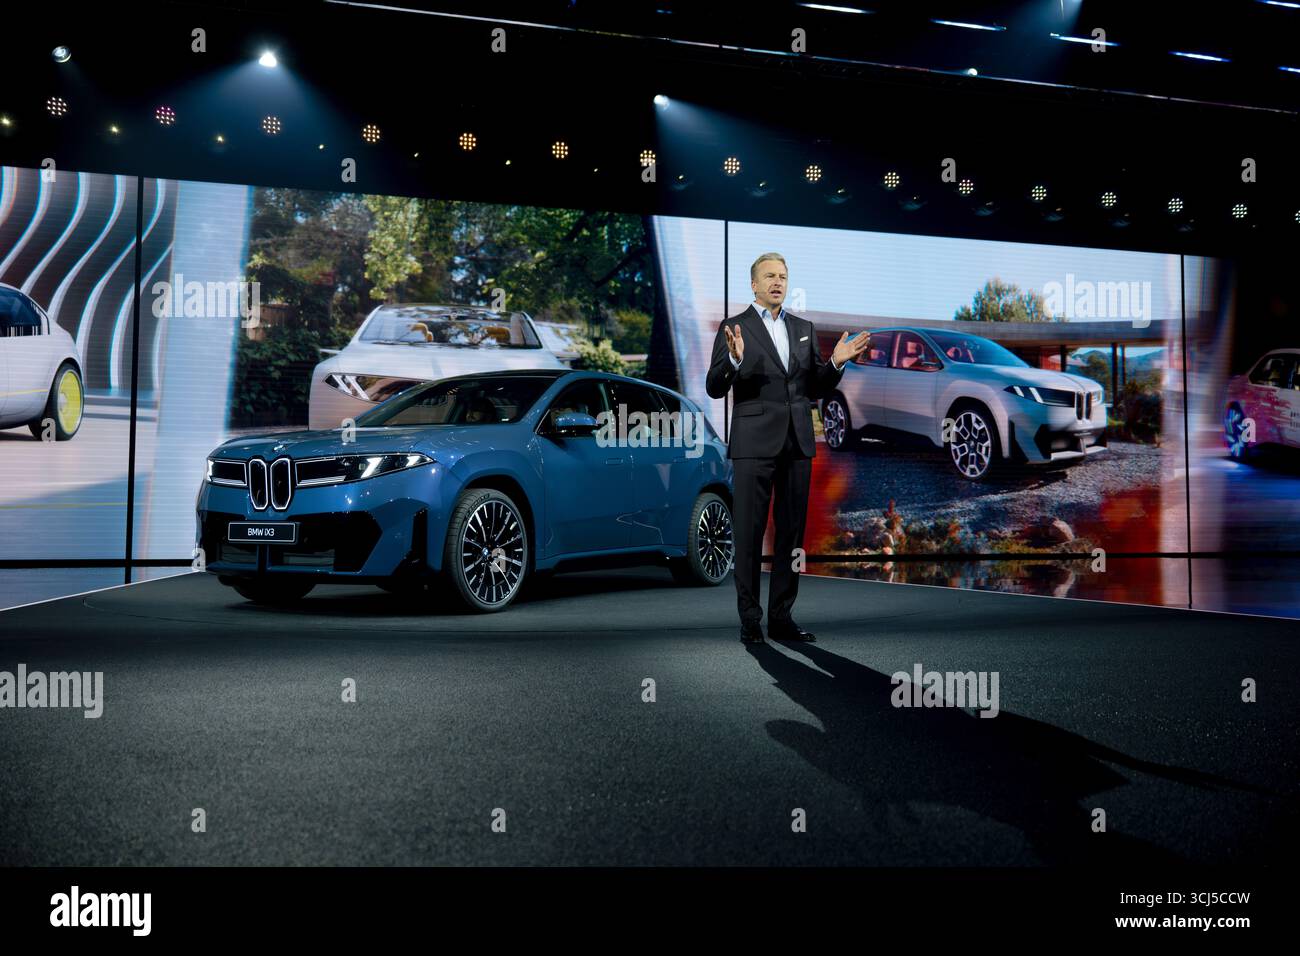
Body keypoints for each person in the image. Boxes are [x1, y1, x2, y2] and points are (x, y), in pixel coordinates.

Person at [706, 253, 869, 644]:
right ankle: (750, 619)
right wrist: (733, 358)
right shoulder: (735, 328)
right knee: (749, 533)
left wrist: (835, 362)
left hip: (797, 443)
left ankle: (781, 617)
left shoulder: (804, 328)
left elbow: (814, 386)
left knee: (791, 535)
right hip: (753, 445)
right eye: (769, 276)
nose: (777, 282)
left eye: (783, 276)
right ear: (754, 284)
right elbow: (714, 386)